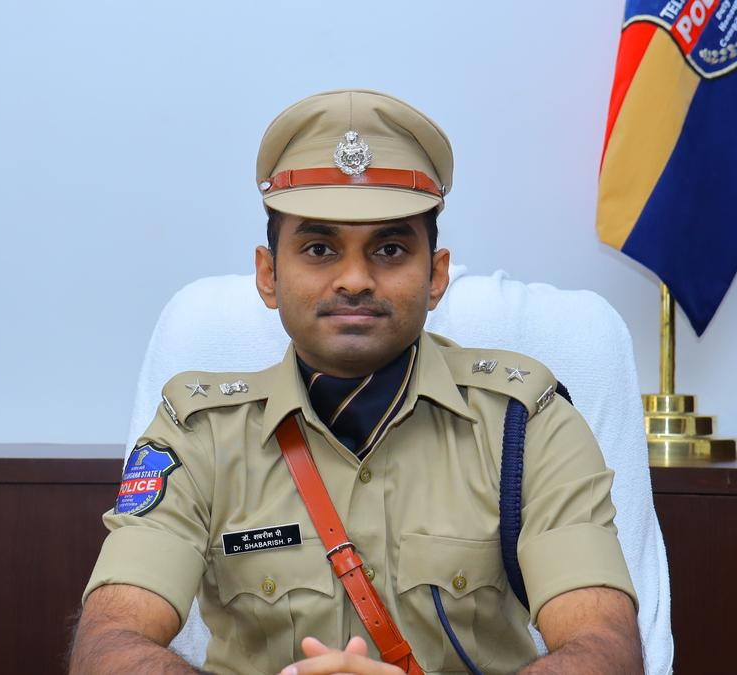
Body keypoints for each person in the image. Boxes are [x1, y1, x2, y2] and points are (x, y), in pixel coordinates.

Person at [69, 90, 643, 675]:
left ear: (436, 275)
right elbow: (109, 644)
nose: (354, 279)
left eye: (389, 249)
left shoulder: (525, 422)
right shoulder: (199, 433)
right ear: (268, 276)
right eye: (319, 248)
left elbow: (605, 650)